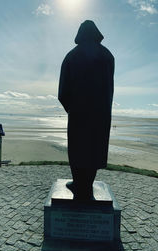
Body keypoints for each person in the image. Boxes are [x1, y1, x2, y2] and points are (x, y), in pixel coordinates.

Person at [58, 20, 114, 201]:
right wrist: (102, 108)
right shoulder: (107, 56)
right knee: (94, 148)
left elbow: (62, 91)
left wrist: (73, 109)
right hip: (101, 114)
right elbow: (109, 88)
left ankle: (78, 183)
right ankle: (87, 185)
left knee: (77, 149)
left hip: (78, 114)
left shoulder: (71, 56)